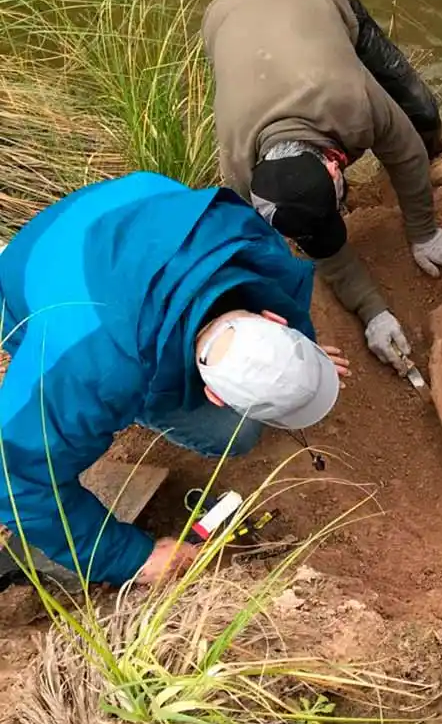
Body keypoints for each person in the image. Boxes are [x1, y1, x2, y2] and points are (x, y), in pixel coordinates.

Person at [0, 172, 349, 588]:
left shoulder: (252, 243)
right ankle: (144, 401)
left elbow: (275, 300)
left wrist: (299, 356)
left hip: (123, 212)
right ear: (213, 395)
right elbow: (13, 476)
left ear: (272, 318)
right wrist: (134, 559)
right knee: (234, 436)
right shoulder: (92, 369)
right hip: (35, 274)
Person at [203, 0, 442, 377]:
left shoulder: (350, 100)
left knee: (416, 103)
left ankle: (440, 147)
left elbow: (403, 153)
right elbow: (319, 246)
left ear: (335, 167)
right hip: (225, 21)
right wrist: (373, 313)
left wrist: (424, 233)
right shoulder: (240, 174)